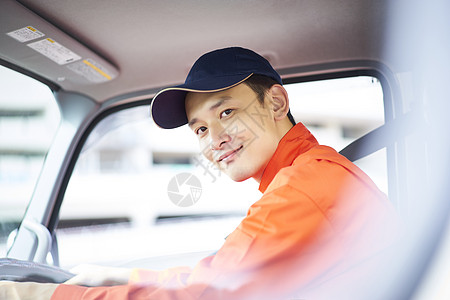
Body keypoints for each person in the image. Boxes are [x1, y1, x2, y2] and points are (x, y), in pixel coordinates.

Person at [0, 47, 399, 299]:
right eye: (201, 129)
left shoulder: (305, 186)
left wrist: (32, 294)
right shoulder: (309, 172)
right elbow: (222, 275)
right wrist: (119, 273)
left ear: (276, 103)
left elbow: (202, 294)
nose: (215, 139)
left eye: (227, 112)